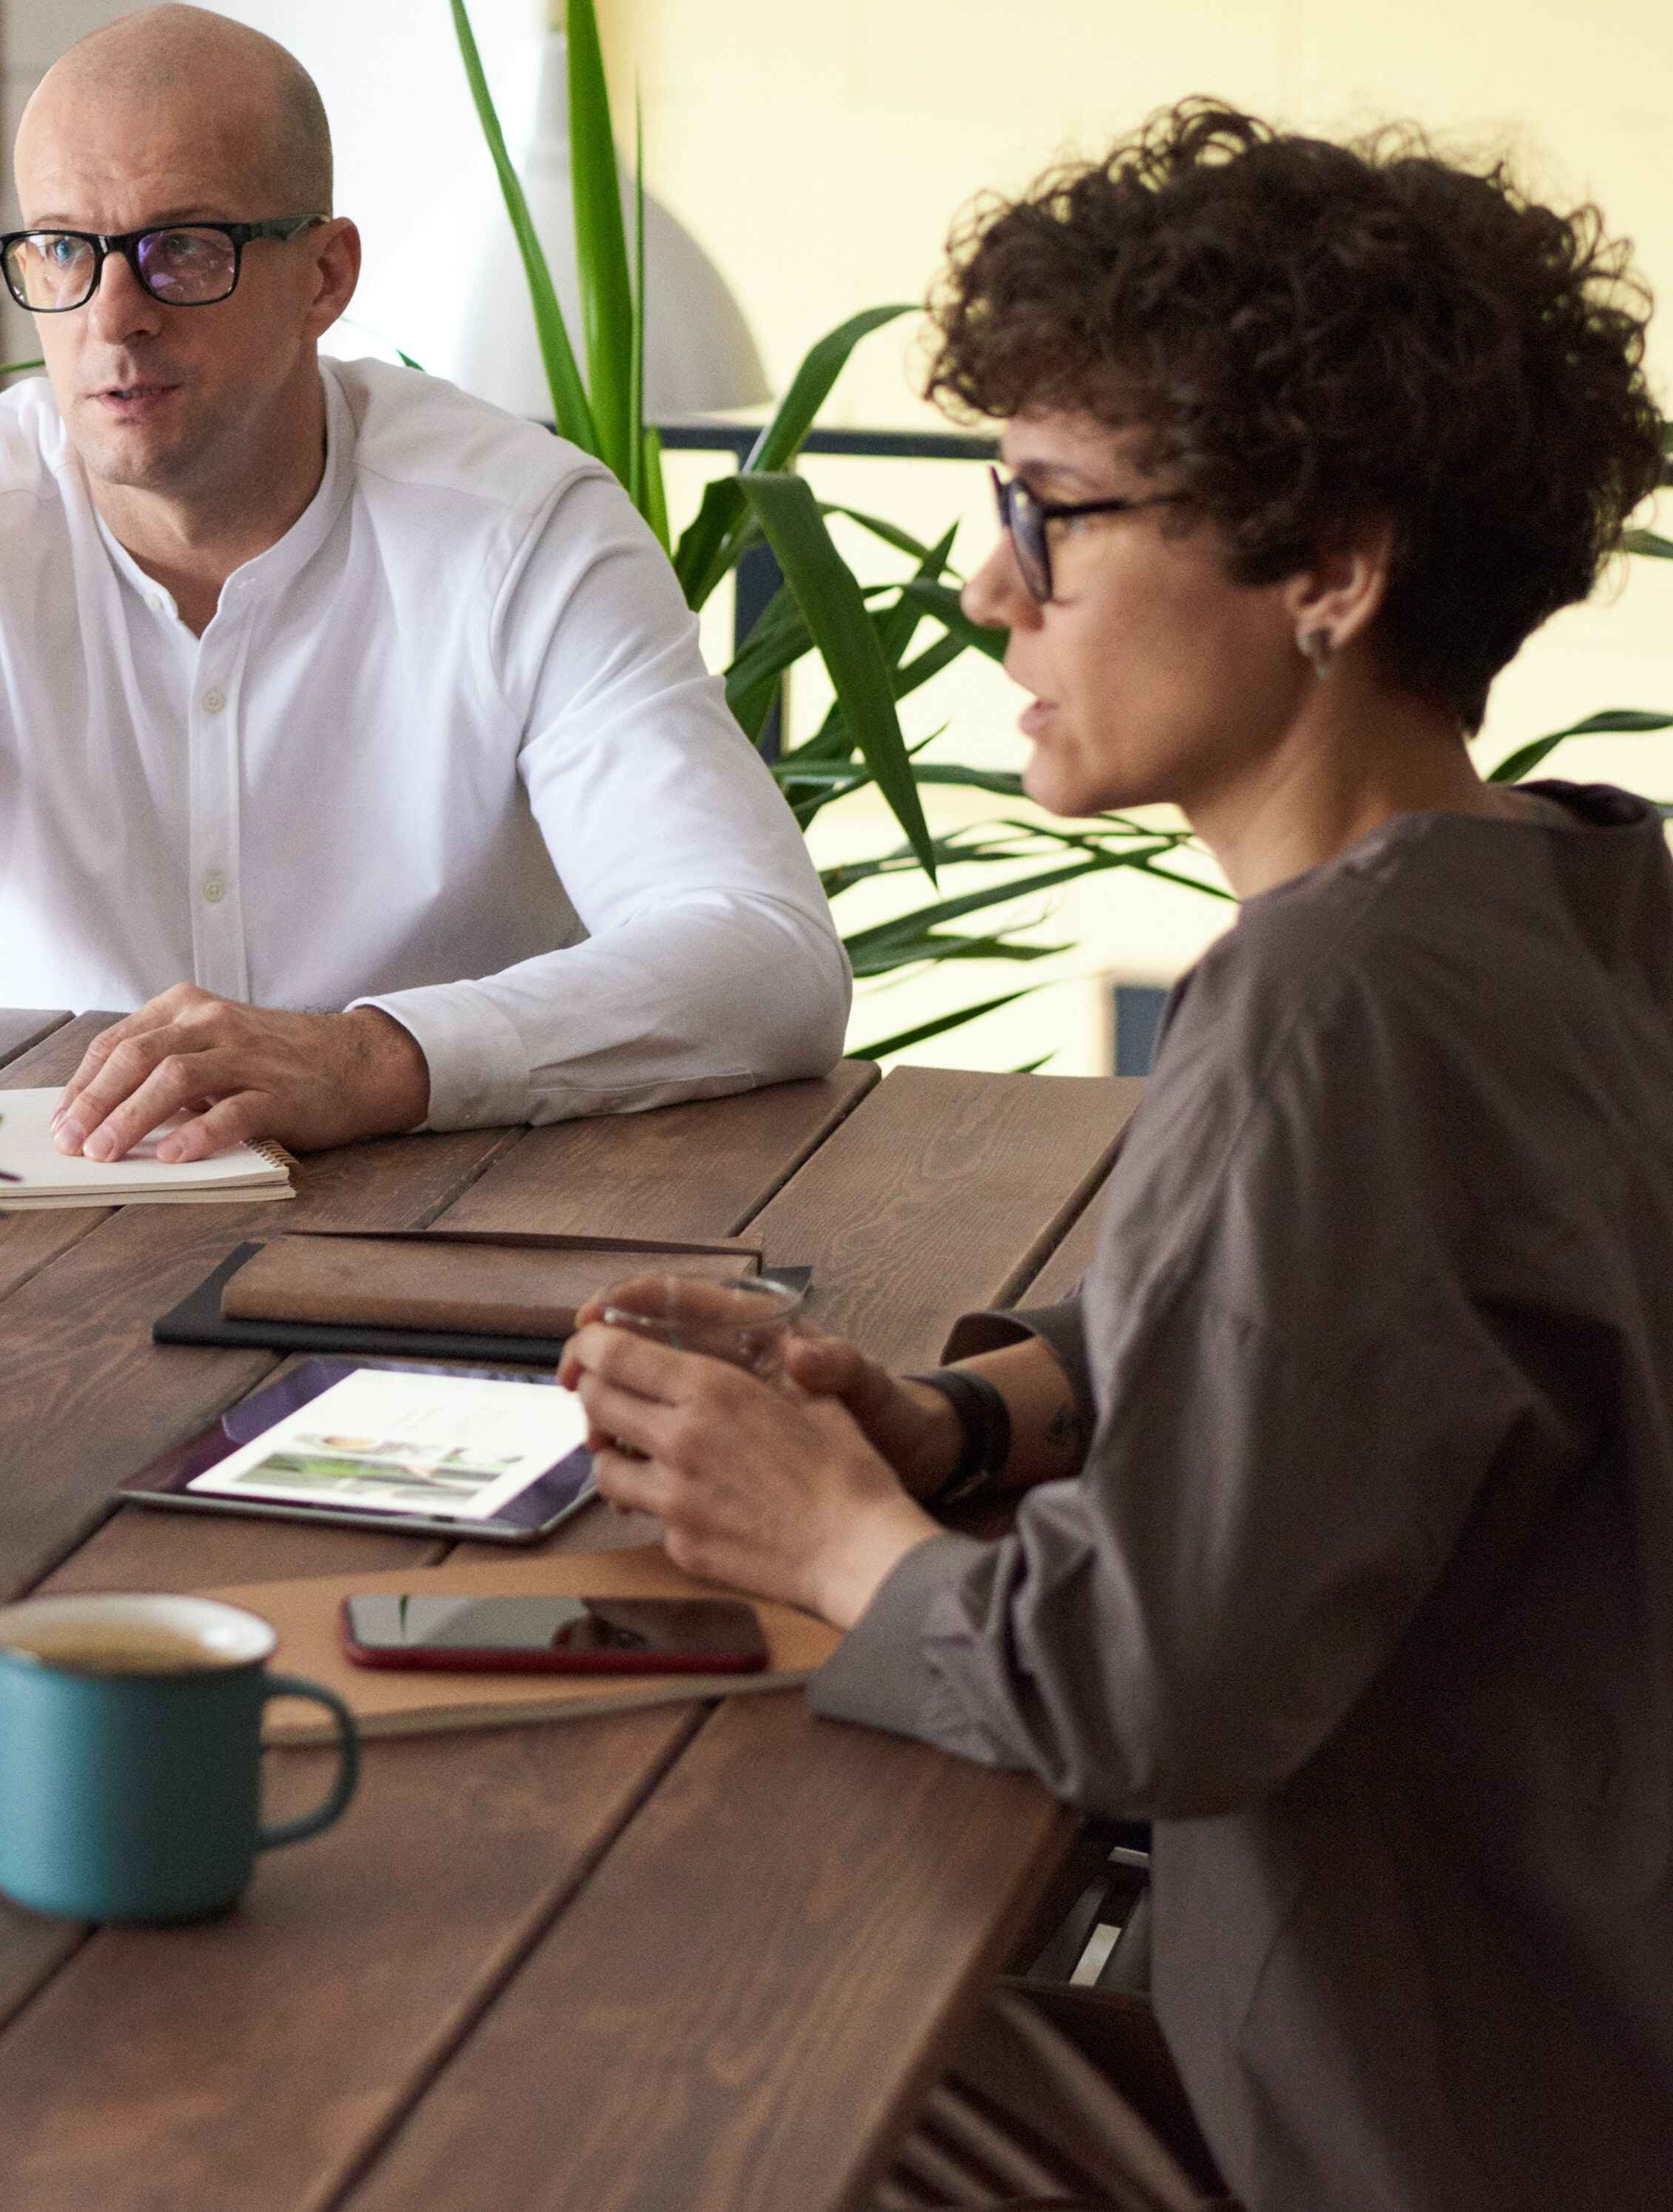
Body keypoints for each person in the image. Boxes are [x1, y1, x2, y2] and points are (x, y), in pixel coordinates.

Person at [562, 108, 1673, 2212]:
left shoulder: (1331, 1004)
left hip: (1426, 2114)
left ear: (1331, 572)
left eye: (1052, 512)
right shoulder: (1576, 890)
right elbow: (1368, 1312)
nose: (990, 584)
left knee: (697, 2066)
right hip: (1591, 2037)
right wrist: (971, 1417)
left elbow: (1136, 1688)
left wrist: (825, 1532)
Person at [0, 2, 844, 1159]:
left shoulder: (524, 533)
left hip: (453, 1218)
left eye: (182, 250)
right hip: (50, 1229)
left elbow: (764, 958)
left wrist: (370, 1061)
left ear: (324, 278)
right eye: (63, 249)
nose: (115, 318)